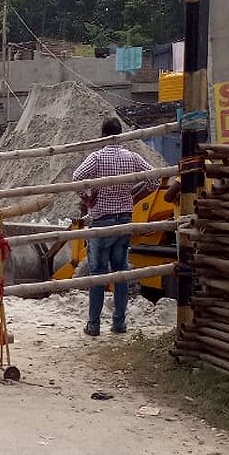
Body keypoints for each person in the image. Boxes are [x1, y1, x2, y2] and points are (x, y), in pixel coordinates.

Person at [72, 117, 160, 337]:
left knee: (98, 275)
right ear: (121, 135)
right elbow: (155, 180)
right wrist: (135, 197)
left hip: (102, 222)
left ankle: (94, 325)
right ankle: (119, 323)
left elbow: (77, 177)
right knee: (121, 273)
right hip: (124, 222)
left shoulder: (97, 158)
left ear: (103, 136)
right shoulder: (132, 157)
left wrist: (87, 198)